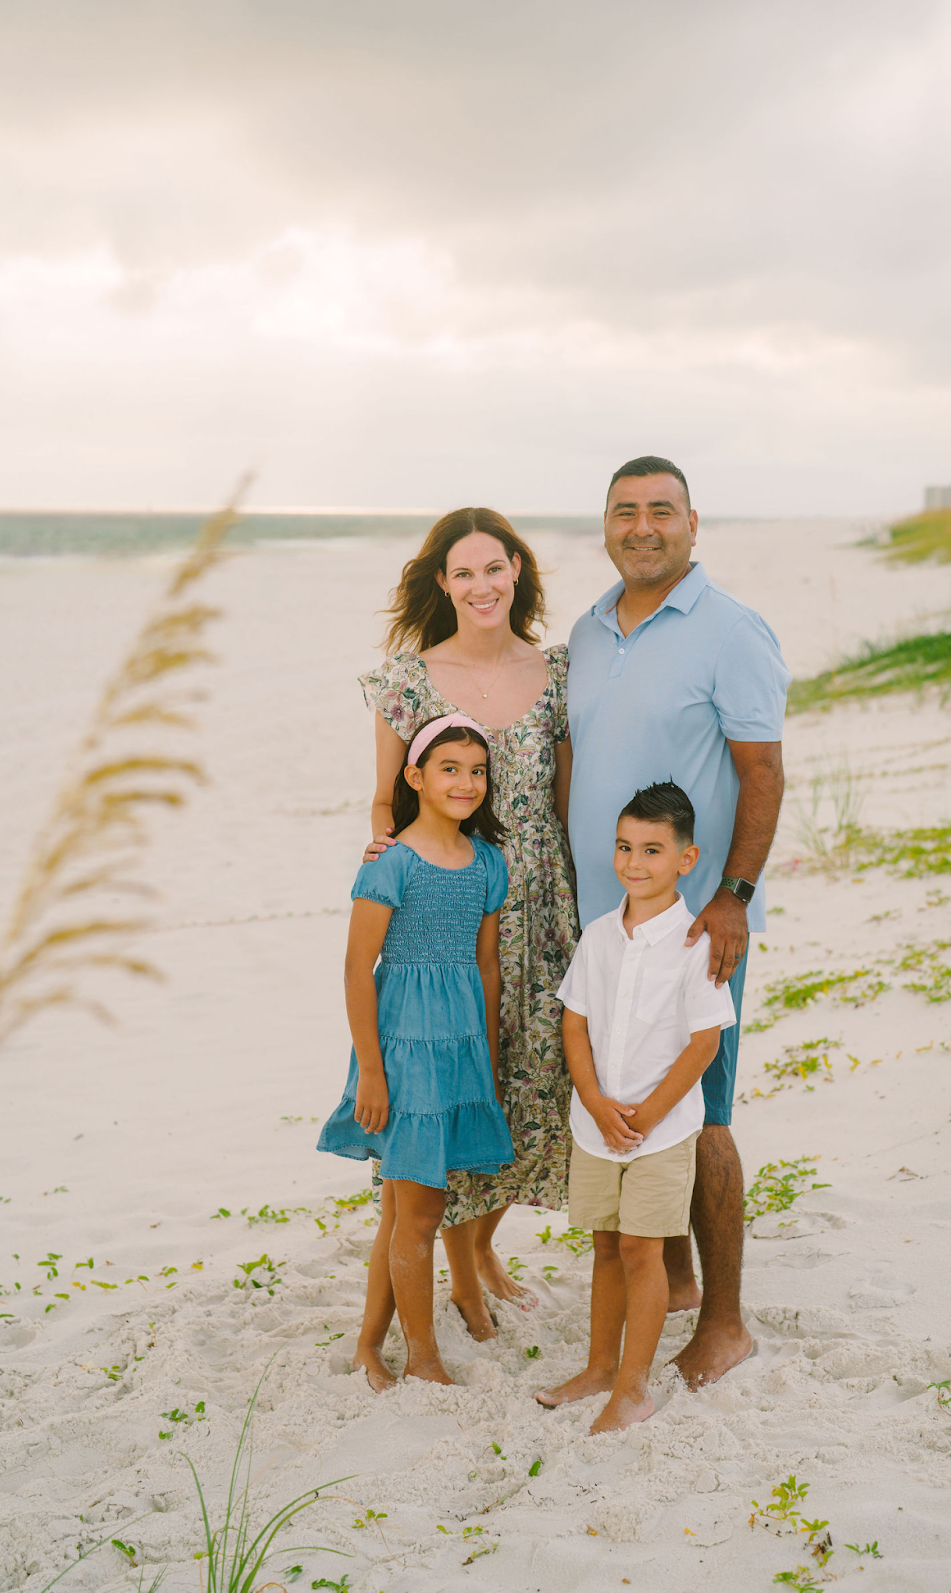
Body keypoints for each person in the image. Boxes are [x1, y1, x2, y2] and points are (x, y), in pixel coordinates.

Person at [567, 456, 790, 1389]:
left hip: (698, 927)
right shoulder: (585, 629)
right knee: (630, 1090)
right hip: (605, 924)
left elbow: (763, 772)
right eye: (625, 511)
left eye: (661, 511)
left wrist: (732, 893)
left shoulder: (730, 631)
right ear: (606, 526)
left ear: (694, 525)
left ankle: (726, 1321)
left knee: (701, 1117)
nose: (642, 526)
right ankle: (682, 1280)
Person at [358, 507, 578, 1341]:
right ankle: (462, 1274)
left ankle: (482, 1248)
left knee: (534, 1090)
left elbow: (561, 801)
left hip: (546, 908)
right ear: (442, 584)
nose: (481, 586)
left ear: (517, 571)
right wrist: (383, 847)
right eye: (463, 572)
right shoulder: (409, 678)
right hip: (452, 907)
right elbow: (386, 796)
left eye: (495, 568)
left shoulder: (555, 671)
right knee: (460, 1087)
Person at [317, 715, 515, 1389]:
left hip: (458, 1049)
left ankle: (369, 1345)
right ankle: (422, 1355)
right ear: (415, 778)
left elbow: (486, 967)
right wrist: (370, 1072)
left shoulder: (488, 863)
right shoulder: (391, 863)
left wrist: (484, 1059)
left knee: (404, 1211)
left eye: (477, 771)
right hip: (402, 1050)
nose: (465, 782)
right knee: (420, 1210)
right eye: (449, 769)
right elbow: (354, 969)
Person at [536, 782, 736, 1431]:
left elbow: (705, 1043)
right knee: (603, 1248)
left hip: (659, 1132)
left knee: (642, 1253)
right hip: (595, 1128)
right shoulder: (597, 936)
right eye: (624, 847)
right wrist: (592, 1100)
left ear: (686, 858)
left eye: (652, 850)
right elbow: (574, 1024)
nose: (633, 863)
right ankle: (598, 1366)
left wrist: (646, 1115)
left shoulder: (695, 943)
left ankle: (631, 1387)